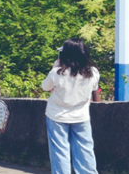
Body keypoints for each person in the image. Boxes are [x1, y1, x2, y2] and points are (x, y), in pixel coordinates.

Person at [41, 38, 100, 174]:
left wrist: (55, 67)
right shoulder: (93, 73)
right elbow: (94, 88)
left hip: (57, 115)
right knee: (85, 150)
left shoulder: (57, 73)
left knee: (60, 151)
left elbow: (45, 87)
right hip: (81, 116)